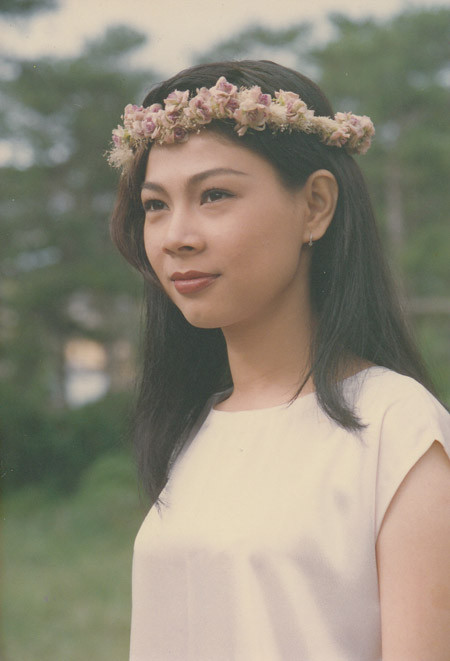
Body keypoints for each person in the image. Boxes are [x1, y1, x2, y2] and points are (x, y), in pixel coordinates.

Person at [108, 60, 450, 661]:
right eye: (155, 205)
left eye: (214, 195)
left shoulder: (398, 431)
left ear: (315, 205)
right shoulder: (192, 428)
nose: (176, 236)